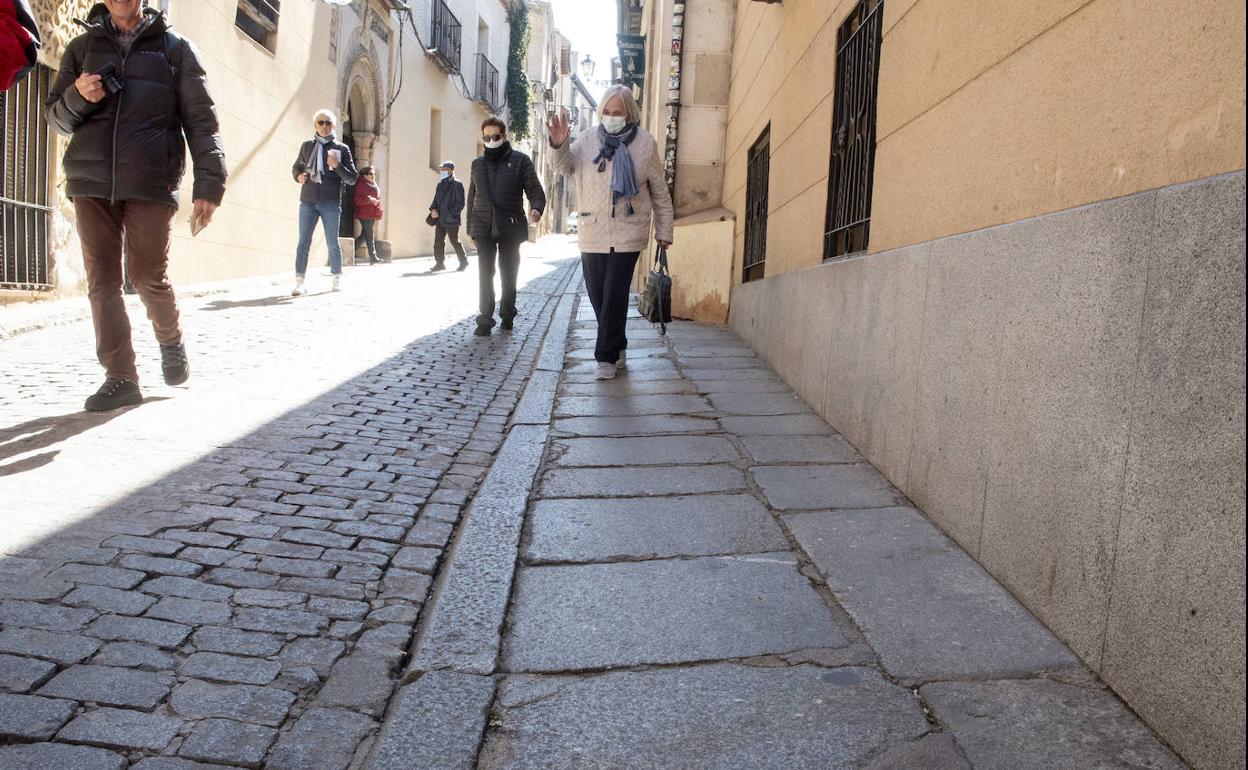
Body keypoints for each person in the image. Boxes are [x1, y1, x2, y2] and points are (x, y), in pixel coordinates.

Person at [45, 0, 226, 412]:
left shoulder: (176, 50)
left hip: (150, 180)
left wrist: (209, 184)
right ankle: (121, 377)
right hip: (91, 181)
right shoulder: (80, 48)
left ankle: (170, 338)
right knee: (102, 282)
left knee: (146, 276)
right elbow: (55, 118)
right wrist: (76, 96)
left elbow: (202, 121)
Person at [547, 84, 673, 380]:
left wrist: (664, 229)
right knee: (598, 296)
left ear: (629, 113)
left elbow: (659, 190)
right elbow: (563, 168)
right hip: (593, 231)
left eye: (617, 112)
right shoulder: (588, 140)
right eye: (606, 110)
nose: (611, 116)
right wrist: (558, 144)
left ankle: (604, 357)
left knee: (615, 293)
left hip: (629, 231)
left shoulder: (645, 143)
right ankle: (618, 345)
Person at [465, 117, 545, 336]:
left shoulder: (521, 161)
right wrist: (470, 227)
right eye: (487, 137)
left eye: (495, 136)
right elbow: (472, 196)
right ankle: (485, 319)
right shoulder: (477, 164)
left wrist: (537, 208)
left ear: (504, 136)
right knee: (485, 272)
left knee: (508, 273)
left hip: (510, 225)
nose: (491, 140)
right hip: (482, 225)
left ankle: (507, 314)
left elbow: (534, 189)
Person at [291, 108, 358, 295]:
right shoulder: (307, 146)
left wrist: (337, 166)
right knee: (303, 242)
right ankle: (299, 281)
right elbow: (297, 166)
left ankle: (336, 277)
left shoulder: (341, 149)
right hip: (308, 200)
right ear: (315, 125)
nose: (324, 126)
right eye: (321, 122)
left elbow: (352, 178)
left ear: (333, 126)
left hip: (330, 201)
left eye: (328, 123)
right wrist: (299, 176)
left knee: (332, 242)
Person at [428, 160, 467, 272]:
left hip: (452, 219)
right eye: (441, 170)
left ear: (450, 170)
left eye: (443, 169)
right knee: (438, 241)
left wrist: (451, 214)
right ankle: (439, 263)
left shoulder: (457, 184)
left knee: (454, 241)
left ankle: (463, 262)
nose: (441, 171)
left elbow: (460, 203)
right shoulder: (440, 185)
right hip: (440, 218)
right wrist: (433, 209)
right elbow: (435, 200)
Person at [354, 165, 383, 265]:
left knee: (364, 235)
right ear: (365, 175)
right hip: (364, 213)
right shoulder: (361, 184)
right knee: (370, 234)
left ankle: (350, 249)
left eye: (374, 174)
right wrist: (369, 200)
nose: (373, 175)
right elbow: (357, 200)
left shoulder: (373, 184)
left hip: (372, 213)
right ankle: (373, 257)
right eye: (371, 174)